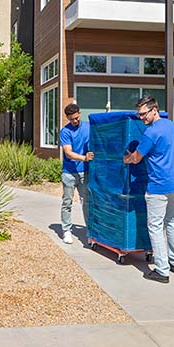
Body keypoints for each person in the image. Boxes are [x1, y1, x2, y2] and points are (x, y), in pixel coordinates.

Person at [123, 96, 174, 284]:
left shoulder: (150, 133)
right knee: (171, 221)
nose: (141, 118)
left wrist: (124, 159)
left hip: (158, 186)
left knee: (156, 227)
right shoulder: (172, 126)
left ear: (154, 110)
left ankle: (162, 270)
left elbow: (136, 158)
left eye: (143, 114)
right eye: (139, 115)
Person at [60, 103, 94, 244]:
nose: (74, 121)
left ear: (79, 113)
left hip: (84, 172)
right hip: (69, 172)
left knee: (86, 202)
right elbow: (68, 153)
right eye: (71, 119)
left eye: (76, 117)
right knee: (67, 202)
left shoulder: (88, 127)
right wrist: (84, 158)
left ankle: (90, 231)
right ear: (67, 117)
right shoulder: (65, 132)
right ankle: (66, 230)